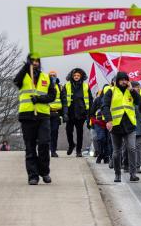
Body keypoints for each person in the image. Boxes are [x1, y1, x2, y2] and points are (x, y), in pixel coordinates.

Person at [13, 53, 56, 185]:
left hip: (43, 115)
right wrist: (26, 67)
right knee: (30, 147)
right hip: (27, 116)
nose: (35, 63)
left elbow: (52, 96)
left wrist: (39, 99)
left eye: (37, 60)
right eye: (32, 61)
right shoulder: (23, 76)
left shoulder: (46, 77)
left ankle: (44, 171)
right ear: (28, 62)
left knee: (44, 144)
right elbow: (16, 82)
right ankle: (33, 176)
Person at [102, 72, 141, 183]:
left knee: (132, 149)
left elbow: (139, 102)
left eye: (126, 79)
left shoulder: (131, 91)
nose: (124, 82)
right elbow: (104, 106)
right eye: (121, 80)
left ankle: (133, 174)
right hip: (116, 125)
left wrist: (132, 90)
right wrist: (108, 120)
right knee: (116, 152)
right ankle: (117, 173)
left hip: (129, 125)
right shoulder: (111, 91)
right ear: (117, 81)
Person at [61, 68, 93, 157]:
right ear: (72, 76)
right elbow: (63, 100)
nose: (76, 77)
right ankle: (71, 144)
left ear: (81, 76)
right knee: (68, 130)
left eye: (78, 75)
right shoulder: (66, 85)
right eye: (75, 75)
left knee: (80, 132)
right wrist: (64, 113)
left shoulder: (86, 86)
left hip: (81, 112)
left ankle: (78, 150)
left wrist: (89, 114)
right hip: (70, 112)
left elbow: (90, 100)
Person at [131, 81, 141, 173]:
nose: (138, 89)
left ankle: (137, 166)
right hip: (130, 127)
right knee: (131, 148)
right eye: (136, 87)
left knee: (138, 147)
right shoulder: (129, 98)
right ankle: (128, 165)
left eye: (139, 87)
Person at [48, 71, 62, 158]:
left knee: (55, 132)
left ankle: (53, 151)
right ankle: (46, 150)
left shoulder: (60, 87)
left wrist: (64, 114)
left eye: (54, 76)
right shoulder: (44, 86)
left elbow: (63, 100)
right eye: (51, 75)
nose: (52, 77)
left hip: (56, 113)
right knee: (46, 133)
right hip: (46, 113)